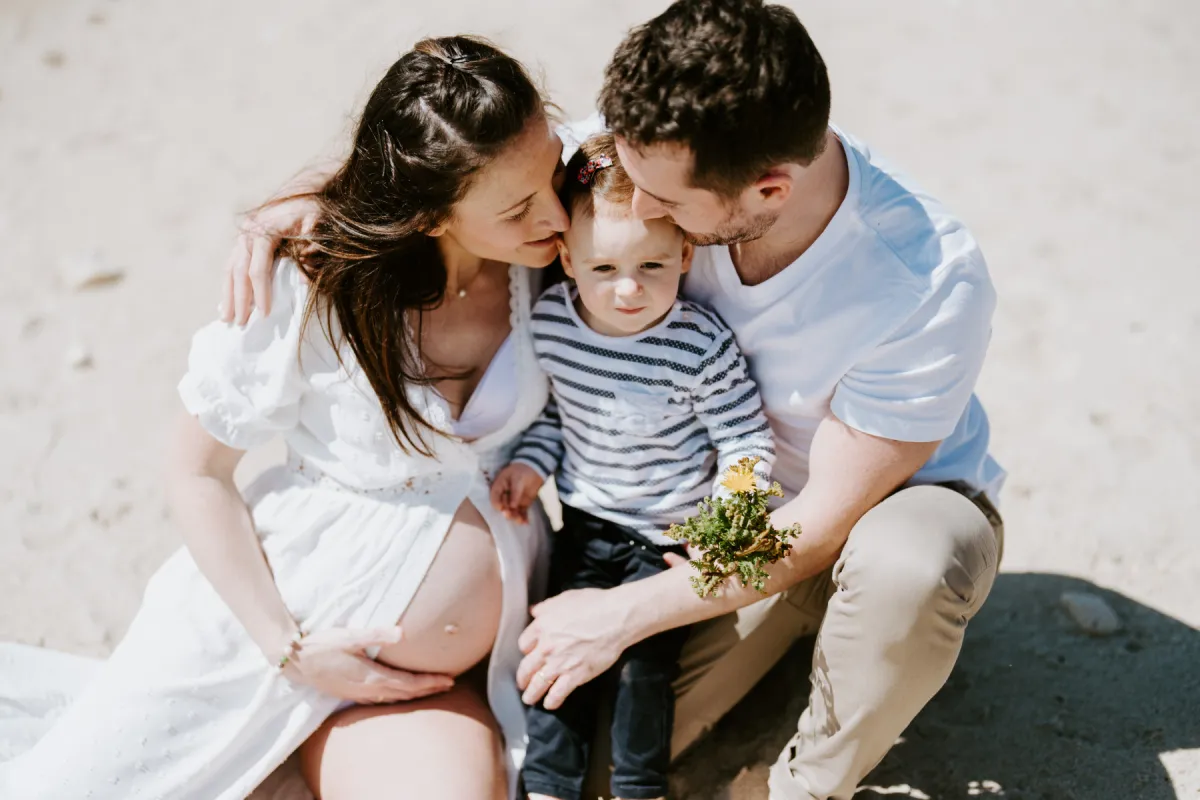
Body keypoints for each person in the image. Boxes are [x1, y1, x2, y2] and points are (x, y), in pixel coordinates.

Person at [225, 2, 1005, 798]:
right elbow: (459, 155)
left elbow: (821, 522)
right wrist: (311, 199)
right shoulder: (650, 156)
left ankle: (813, 780)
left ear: (768, 189)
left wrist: (626, 613)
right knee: (585, 768)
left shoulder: (926, 278)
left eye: (665, 207)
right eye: (624, 171)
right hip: (677, 527)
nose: (629, 208)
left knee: (907, 566)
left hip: (852, 519)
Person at [0, 35, 571, 800]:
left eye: (554, 174)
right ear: (432, 215)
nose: (559, 212)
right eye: (520, 206)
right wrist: (291, 649)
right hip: (274, 636)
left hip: (422, 683)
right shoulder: (313, 285)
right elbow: (196, 472)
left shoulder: (549, 255)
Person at [489, 133, 775, 800]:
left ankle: (639, 785)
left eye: (651, 266)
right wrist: (532, 463)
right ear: (566, 259)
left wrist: (731, 523)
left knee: (645, 671)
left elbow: (744, 440)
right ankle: (549, 784)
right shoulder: (552, 322)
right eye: (603, 269)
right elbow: (556, 413)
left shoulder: (698, 345)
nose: (627, 290)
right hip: (585, 523)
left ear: (683, 252)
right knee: (553, 652)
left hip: (670, 537)